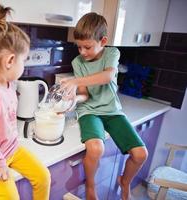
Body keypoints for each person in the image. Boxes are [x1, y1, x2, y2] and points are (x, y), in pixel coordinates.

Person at [60, 12, 148, 200]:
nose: (82, 52)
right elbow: (84, 94)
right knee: (95, 149)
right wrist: (74, 100)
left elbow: (107, 76)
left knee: (141, 154)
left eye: (88, 47)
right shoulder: (78, 62)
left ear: (103, 41)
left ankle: (124, 181)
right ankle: (91, 186)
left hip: (112, 111)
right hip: (89, 111)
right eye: (79, 47)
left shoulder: (112, 53)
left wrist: (75, 81)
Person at [0, 2, 51, 200]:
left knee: (43, 177)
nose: (24, 65)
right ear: (10, 61)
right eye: (24, 60)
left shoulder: (8, 84)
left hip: (10, 148)